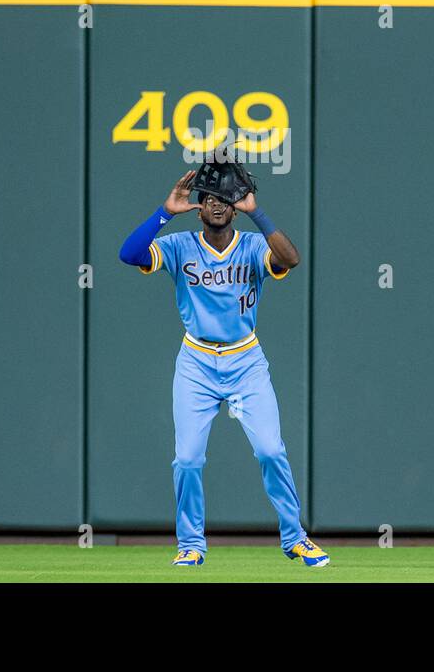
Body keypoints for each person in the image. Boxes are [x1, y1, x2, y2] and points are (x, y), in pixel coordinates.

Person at [119, 165, 328, 567]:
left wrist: (257, 212)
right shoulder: (180, 245)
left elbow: (292, 259)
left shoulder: (252, 246)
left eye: (225, 200)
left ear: (234, 208)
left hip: (246, 360)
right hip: (196, 361)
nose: (217, 205)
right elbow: (129, 254)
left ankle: (295, 538)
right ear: (199, 208)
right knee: (188, 459)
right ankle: (191, 544)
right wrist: (164, 212)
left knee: (270, 449)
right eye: (210, 198)